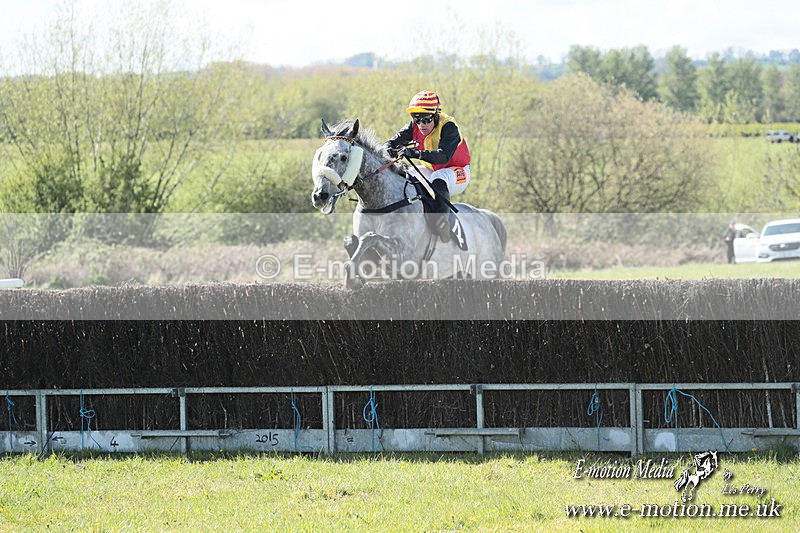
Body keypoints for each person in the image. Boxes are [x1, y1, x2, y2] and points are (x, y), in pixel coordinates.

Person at [385, 91, 471, 243]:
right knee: (407, 175)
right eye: (416, 120)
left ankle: (443, 222)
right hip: (433, 169)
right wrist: (388, 148)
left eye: (426, 120)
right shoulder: (415, 125)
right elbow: (393, 141)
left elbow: (444, 156)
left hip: (458, 171)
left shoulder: (449, 127)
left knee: (439, 177)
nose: (421, 125)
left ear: (436, 114)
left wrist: (416, 154)